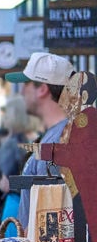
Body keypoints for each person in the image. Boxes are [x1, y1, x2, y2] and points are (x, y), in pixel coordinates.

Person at [11, 51, 76, 179]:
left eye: (26, 84)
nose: (22, 92)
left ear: (42, 89)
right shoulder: (59, 134)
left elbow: (54, 198)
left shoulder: (60, 141)